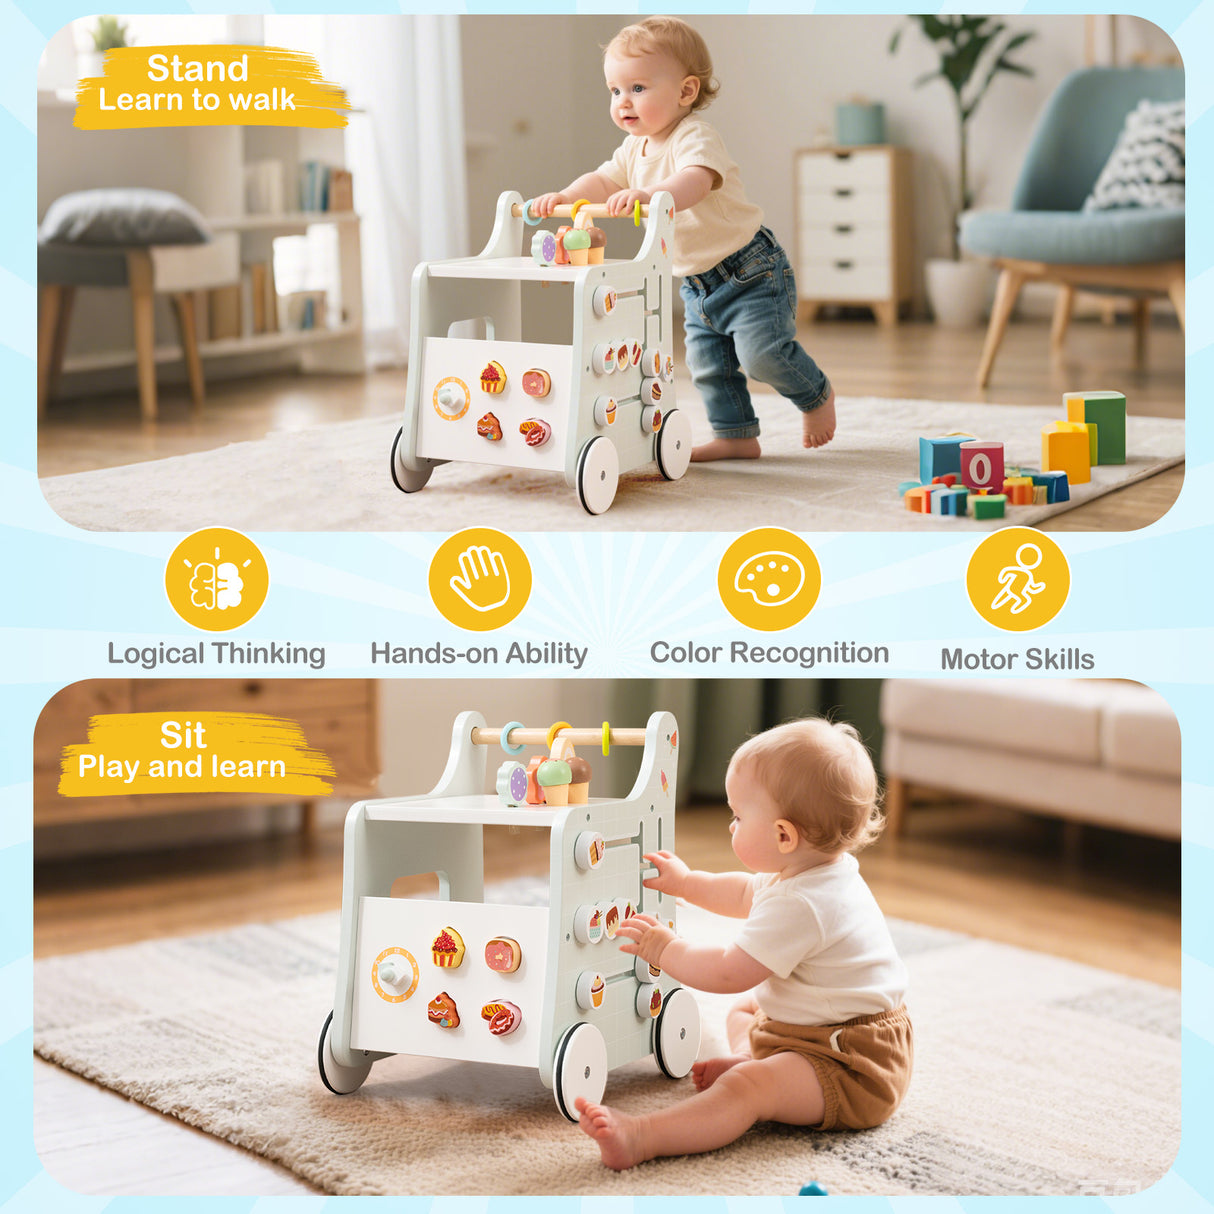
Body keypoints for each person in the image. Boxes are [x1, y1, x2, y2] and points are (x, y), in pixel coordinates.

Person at [573, 719, 912, 1170]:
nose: (730, 825)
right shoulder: (805, 870)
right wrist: (689, 883)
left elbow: (729, 972)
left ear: (783, 836)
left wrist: (664, 949)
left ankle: (643, 1136)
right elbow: (743, 893)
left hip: (849, 1064)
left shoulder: (806, 903)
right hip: (808, 1031)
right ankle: (748, 1058)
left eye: (738, 816)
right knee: (745, 1013)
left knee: (747, 1087)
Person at [531, 16, 835, 461]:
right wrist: (569, 196)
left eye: (637, 88)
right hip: (696, 283)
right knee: (708, 367)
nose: (622, 102)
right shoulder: (633, 149)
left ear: (686, 92)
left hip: (749, 270)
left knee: (761, 356)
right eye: (614, 91)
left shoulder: (694, 136)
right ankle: (736, 436)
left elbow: (695, 182)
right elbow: (601, 180)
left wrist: (649, 195)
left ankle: (816, 396)